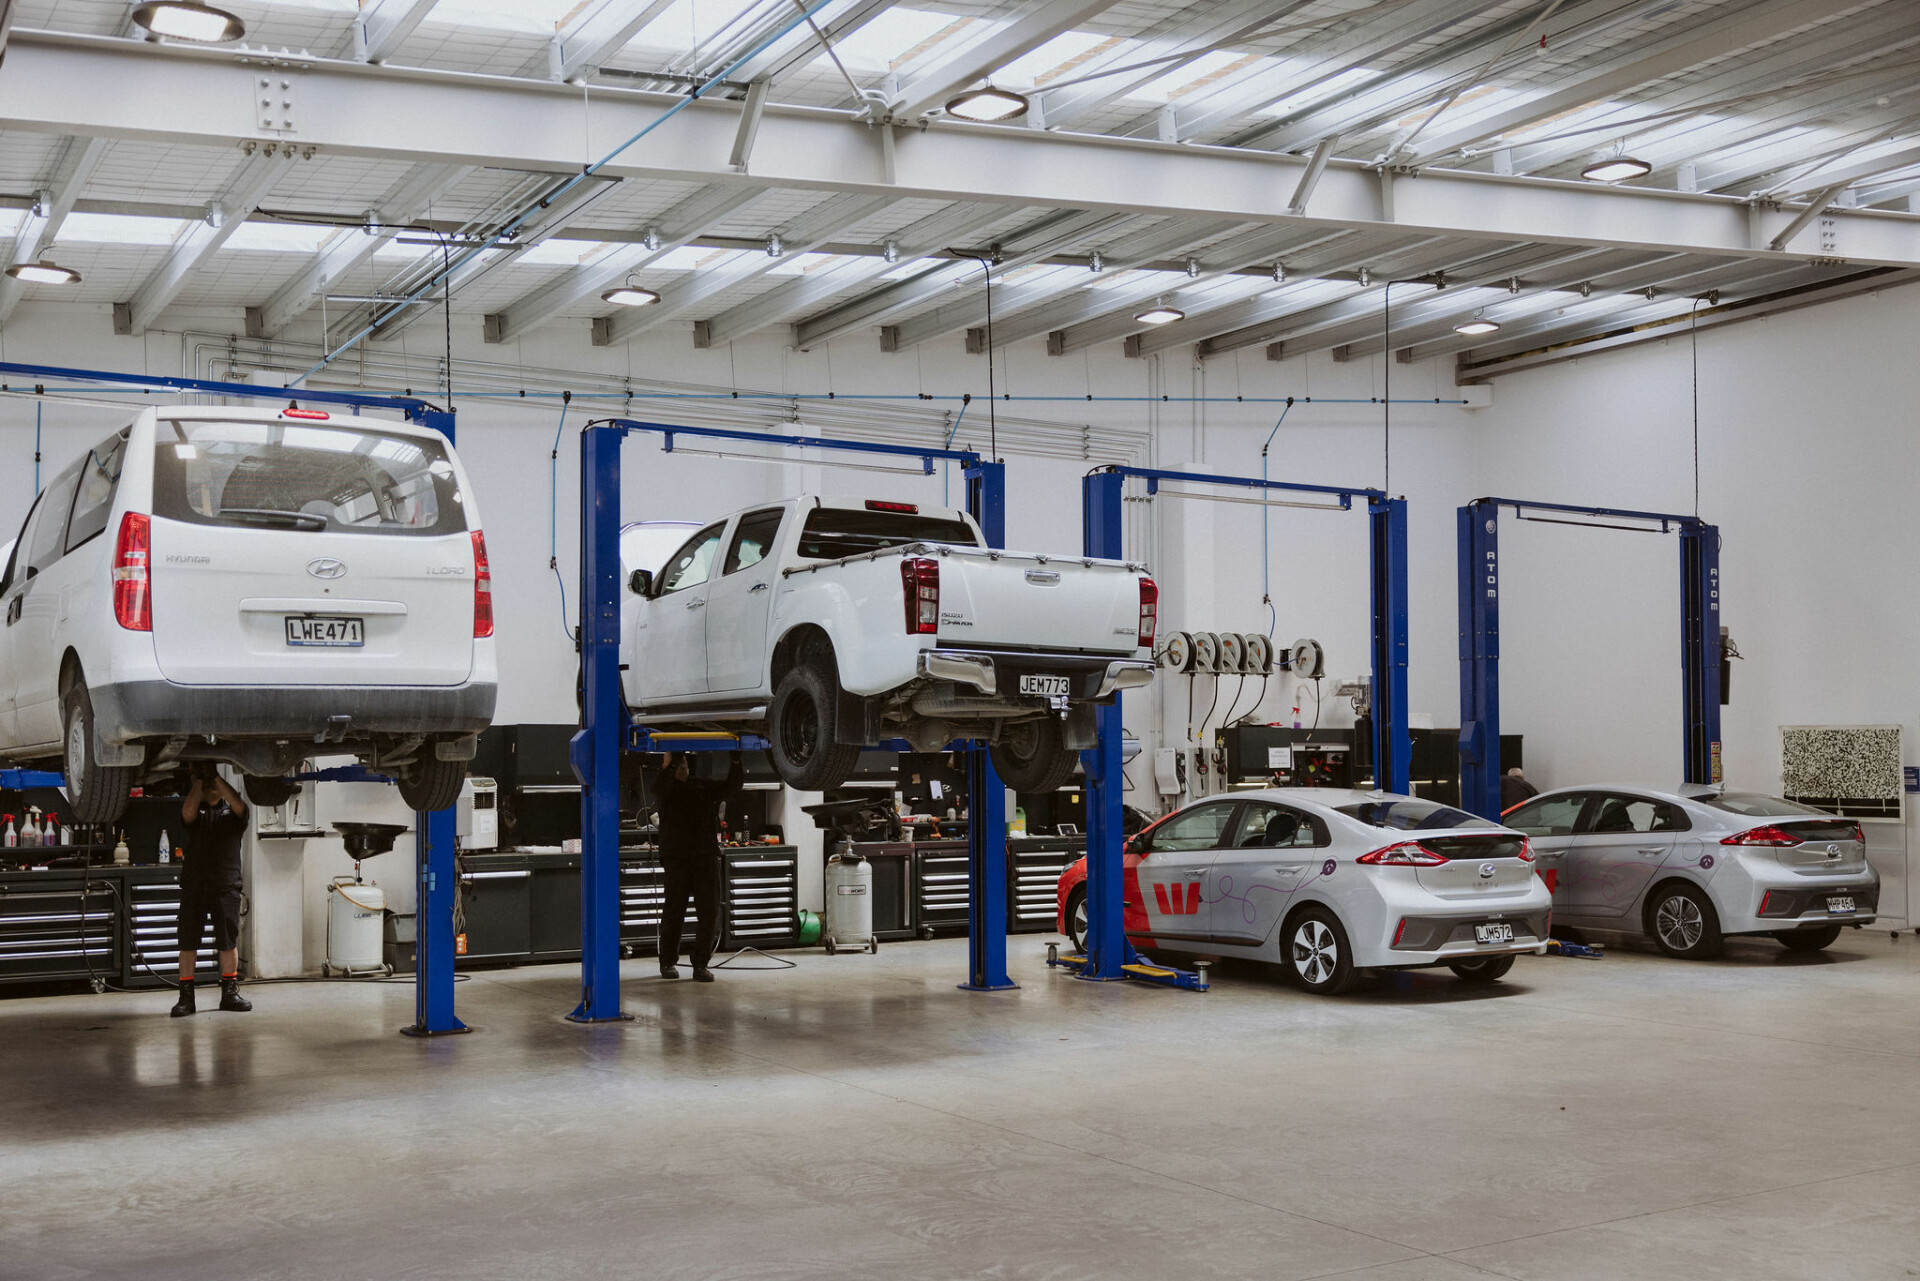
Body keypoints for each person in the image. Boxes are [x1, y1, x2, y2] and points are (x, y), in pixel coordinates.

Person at [651, 750, 742, 982]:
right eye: (674, 763)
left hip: (704, 857)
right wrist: (673, 763)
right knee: (673, 913)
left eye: (683, 763)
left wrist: (735, 761)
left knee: (709, 912)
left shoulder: (702, 787)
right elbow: (661, 788)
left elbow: (732, 788)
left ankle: (700, 964)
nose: (680, 766)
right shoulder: (664, 789)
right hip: (677, 858)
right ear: (665, 765)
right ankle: (668, 962)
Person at [171, 764, 252, 1017]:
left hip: (225, 886)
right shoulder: (196, 814)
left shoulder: (234, 817)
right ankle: (186, 998)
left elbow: (239, 804)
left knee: (228, 941)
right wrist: (199, 782)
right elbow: (186, 812)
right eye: (209, 787)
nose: (211, 789)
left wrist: (216, 778)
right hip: (195, 885)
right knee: (187, 941)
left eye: (215, 786)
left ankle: (229, 993)